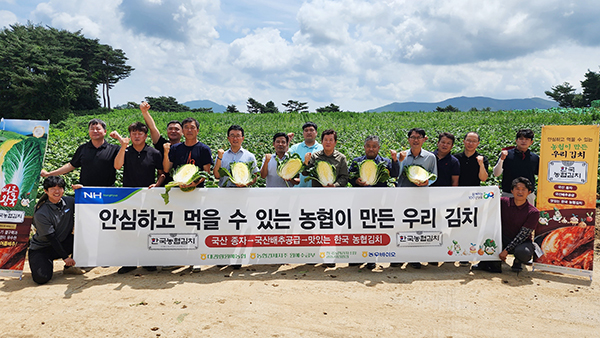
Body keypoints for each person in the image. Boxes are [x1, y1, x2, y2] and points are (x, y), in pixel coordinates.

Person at [113, 122, 164, 274]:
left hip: (148, 196)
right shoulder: (126, 151)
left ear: (146, 136)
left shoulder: (154, 153)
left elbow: (161, 173)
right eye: (133, 133)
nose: (136, 136)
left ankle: (147, 260)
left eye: (140, 133)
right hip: (128, 196)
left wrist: (157, 184)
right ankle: (130, 262)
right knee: (129, 229)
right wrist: (122, 146)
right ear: (130, 136)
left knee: (147, 228)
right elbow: (117, 166)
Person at [213, 125, 259, 270]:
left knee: (239, 227)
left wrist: (246, 182)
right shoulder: (222, 155)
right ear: (228, 138)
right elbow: (216, 175)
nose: (235, 138)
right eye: (232, 135)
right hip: (225, 194)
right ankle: (223, 257)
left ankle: (237, 258)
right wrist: (219, 158)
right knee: (224, 226)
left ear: (242, 138)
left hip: (242, 195)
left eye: (238, 135)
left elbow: (255, 177)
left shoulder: (249, 156)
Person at [472, 177, 539, 273]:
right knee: (489, 241)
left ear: (529, 192)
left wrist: (506, 250)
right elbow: (485, 202)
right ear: (512, 191)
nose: (520, 192)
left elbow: (523, 235)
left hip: (522, 242)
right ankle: (486, 262)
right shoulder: (502, 202)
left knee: (524, 252)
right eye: (517, 189)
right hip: (502, 238)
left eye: (523, 189)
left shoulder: (533, 212)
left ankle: (518, 261)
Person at [28, 176, 84, 285]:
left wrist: (81, 191)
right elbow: (51, 237)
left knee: (83, 239)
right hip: (42, 248)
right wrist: (65, 257)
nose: (57, 191)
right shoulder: (41, 213)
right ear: (46, 191)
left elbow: (87, 203)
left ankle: (70, 268)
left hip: (62, 242)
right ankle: (46, 262)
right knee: (41, 278)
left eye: (60, 188)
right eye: (52, 188)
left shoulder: (69, 201)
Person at [395, 128, 437, 269]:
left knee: (417, 227)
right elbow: (396, 175)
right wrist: (399, 161)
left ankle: (414, 257)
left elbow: (434, 176)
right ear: (408, 140)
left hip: (421, 197)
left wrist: (427, 182)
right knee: (401, 226)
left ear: (424, 139)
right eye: (412, 137)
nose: (415, 140)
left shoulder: (430, 157)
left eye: (419, 137)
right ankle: (399, 257)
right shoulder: (402, 155)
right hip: (403, 196)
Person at [41, 119, 119, 186]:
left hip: (108, 192)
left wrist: (120, 139)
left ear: (105, 131)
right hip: (85, 192)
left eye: (98, 129)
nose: (95, 131)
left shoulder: (114, 149)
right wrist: (49, 174)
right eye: (92, 129)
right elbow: (71, 165)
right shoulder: (83, 148)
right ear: (88, 131)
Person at [140, 101, 183, 185]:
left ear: (182, 132)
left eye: (177, 129)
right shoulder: (162, 144)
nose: (173, 131)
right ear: (167, 131)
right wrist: (145, 112)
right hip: (163, 186)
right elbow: (152, 128)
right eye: (170, 129)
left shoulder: (186, 147)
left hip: (182, 186)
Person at [163, 117, 212, 189]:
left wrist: (195, 183)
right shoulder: (175, 148)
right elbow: (167, 169)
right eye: (186, 127)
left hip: (197, 190)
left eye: (192, 127)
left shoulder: (204, 149)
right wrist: (166, 152)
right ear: (182, 131)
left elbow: (206, 172)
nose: (189, 130)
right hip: (177, 190)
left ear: (197, 131)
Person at [493, 128, 539, 205]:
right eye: (521, 139)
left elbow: (540, 175)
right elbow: (496, 174)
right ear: (516, 141)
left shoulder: (535, 158)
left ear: (531, 142)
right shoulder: (506, 155)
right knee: (507, 216)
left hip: (528, 195)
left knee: (528, 216)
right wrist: (501, 159)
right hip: (509, 193)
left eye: (527, 139)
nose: (523, 141)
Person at [289, 122, 323, 187]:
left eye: (311, 130)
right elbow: (284, 158)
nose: (309, 132)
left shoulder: (322, 148)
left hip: (316, 189)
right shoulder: (295, 148)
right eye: (306, 130)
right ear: (303, 133)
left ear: (316, 133)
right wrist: (287, 142)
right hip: (297, 189)